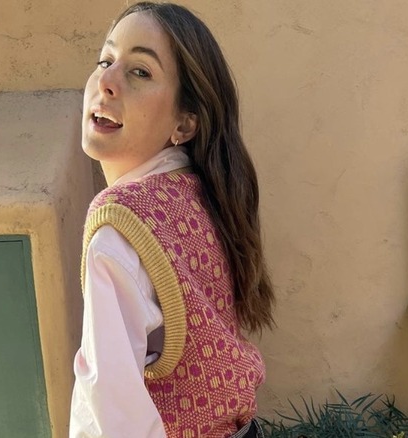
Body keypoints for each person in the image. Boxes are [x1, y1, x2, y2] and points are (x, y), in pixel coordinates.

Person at [69, 3, 275, 437]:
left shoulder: (117, 230)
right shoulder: (198, 192)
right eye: (105, 61)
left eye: (140, 71)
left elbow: (113, 409)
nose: (105, 82)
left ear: (185, 123)